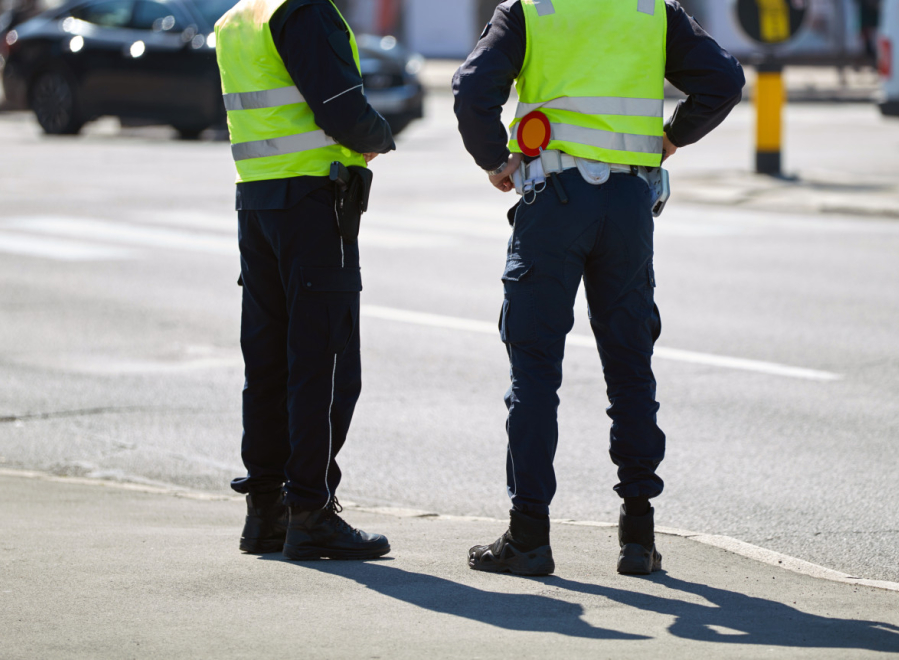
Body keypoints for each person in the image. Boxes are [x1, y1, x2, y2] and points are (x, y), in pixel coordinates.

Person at [453, 0, 744, 576]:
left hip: (553, 201)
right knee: (630, 364)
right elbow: (724, 81)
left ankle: (529, 536)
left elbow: (471, 91)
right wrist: (672, 137)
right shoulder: (651, 10)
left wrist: (495, 159)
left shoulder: (530, 10)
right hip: (629, 205)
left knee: (535, 370)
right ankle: (638, 537)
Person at [215, 0, 393, 560]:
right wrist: (377, 134)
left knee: (268, 361)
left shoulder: (238, 18)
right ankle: (310, 512)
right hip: (313, 202)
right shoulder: (304, 10)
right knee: (325, 364)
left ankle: (266, 512)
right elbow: (341, 107)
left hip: (257, 202)